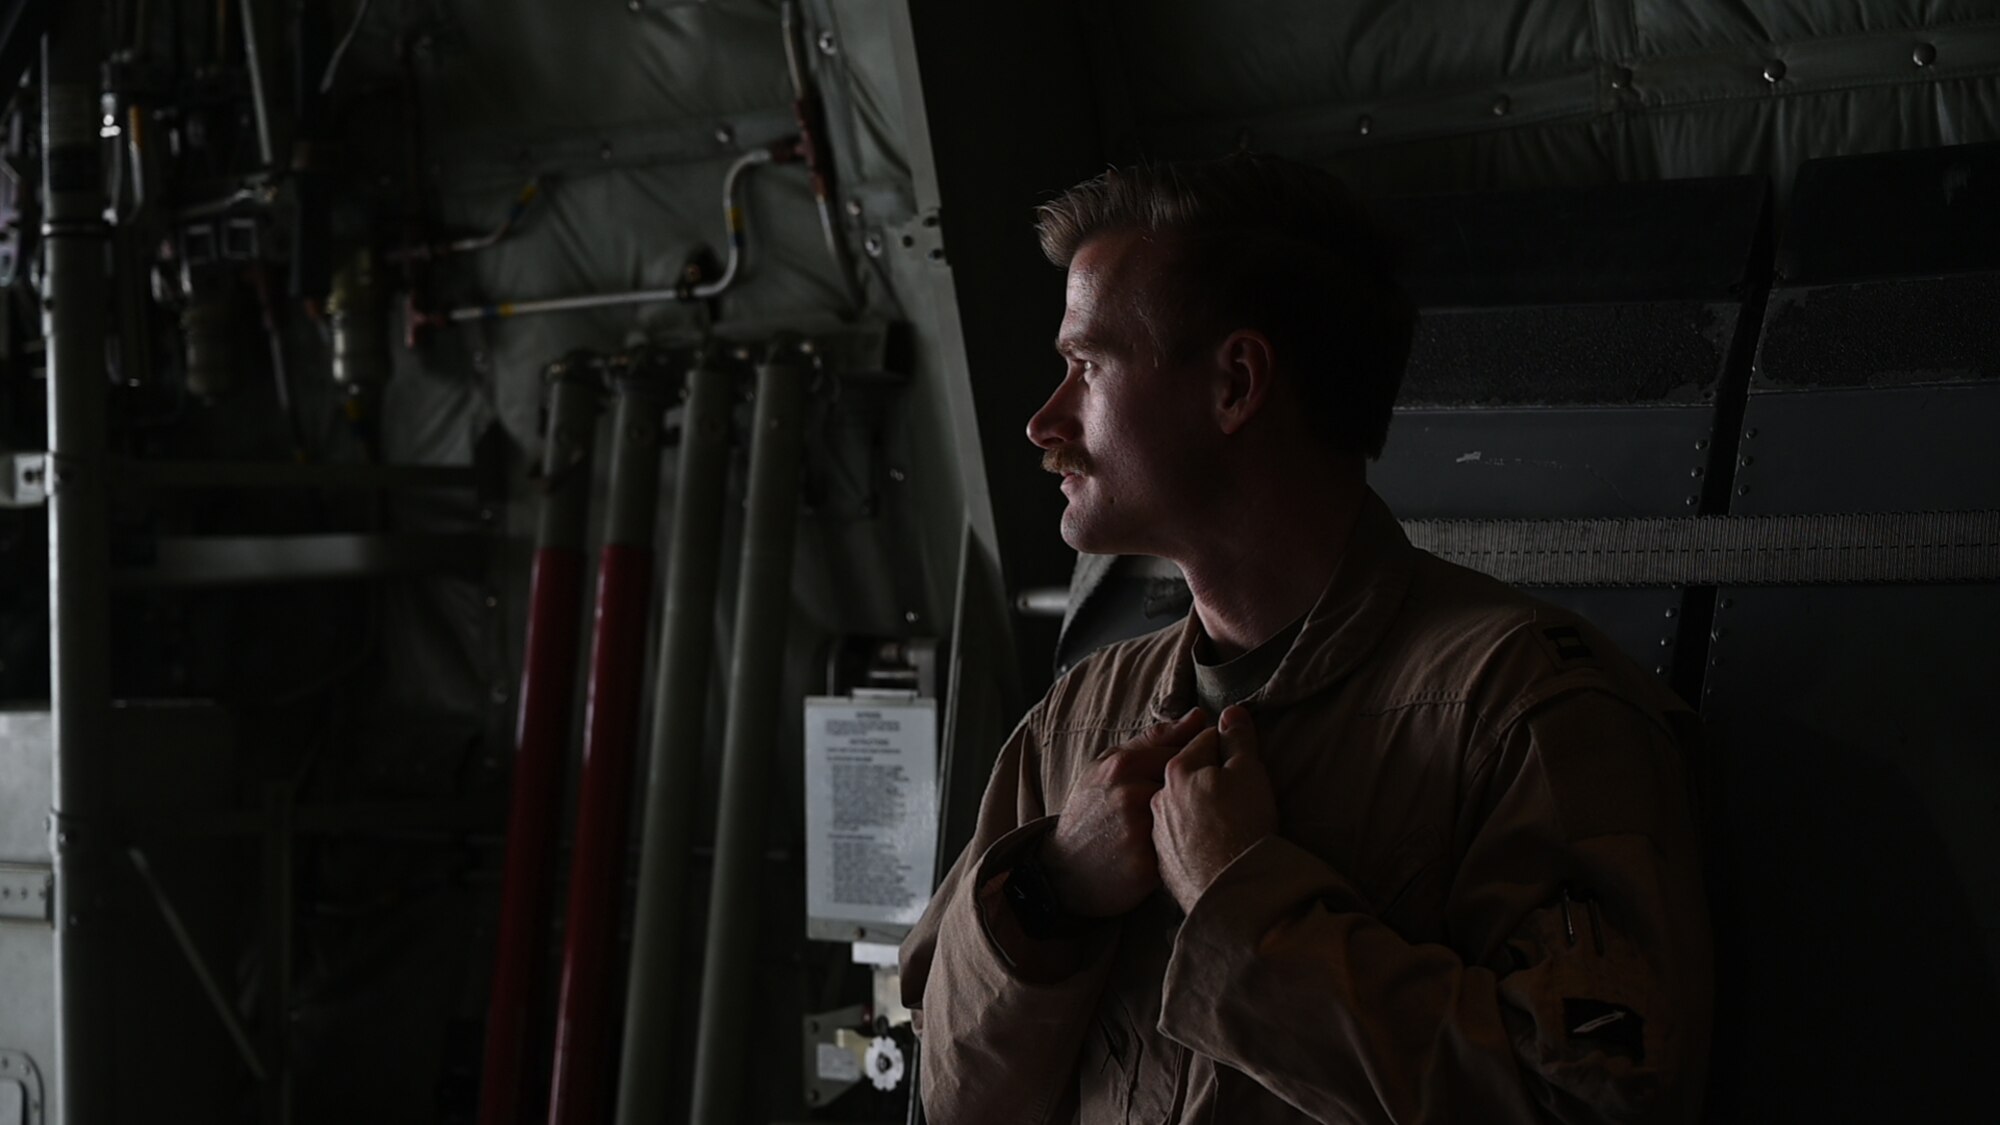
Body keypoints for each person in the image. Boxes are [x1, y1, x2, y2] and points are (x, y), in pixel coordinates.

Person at [899, 153, 1711, 1125]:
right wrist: (1047, 890)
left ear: (1235, 383)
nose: (1043, 421)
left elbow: (1592, 1104)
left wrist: (1251, 907)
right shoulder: (1078, 718)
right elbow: (948, 1098)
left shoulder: (1521, 711)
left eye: (1086, 366)